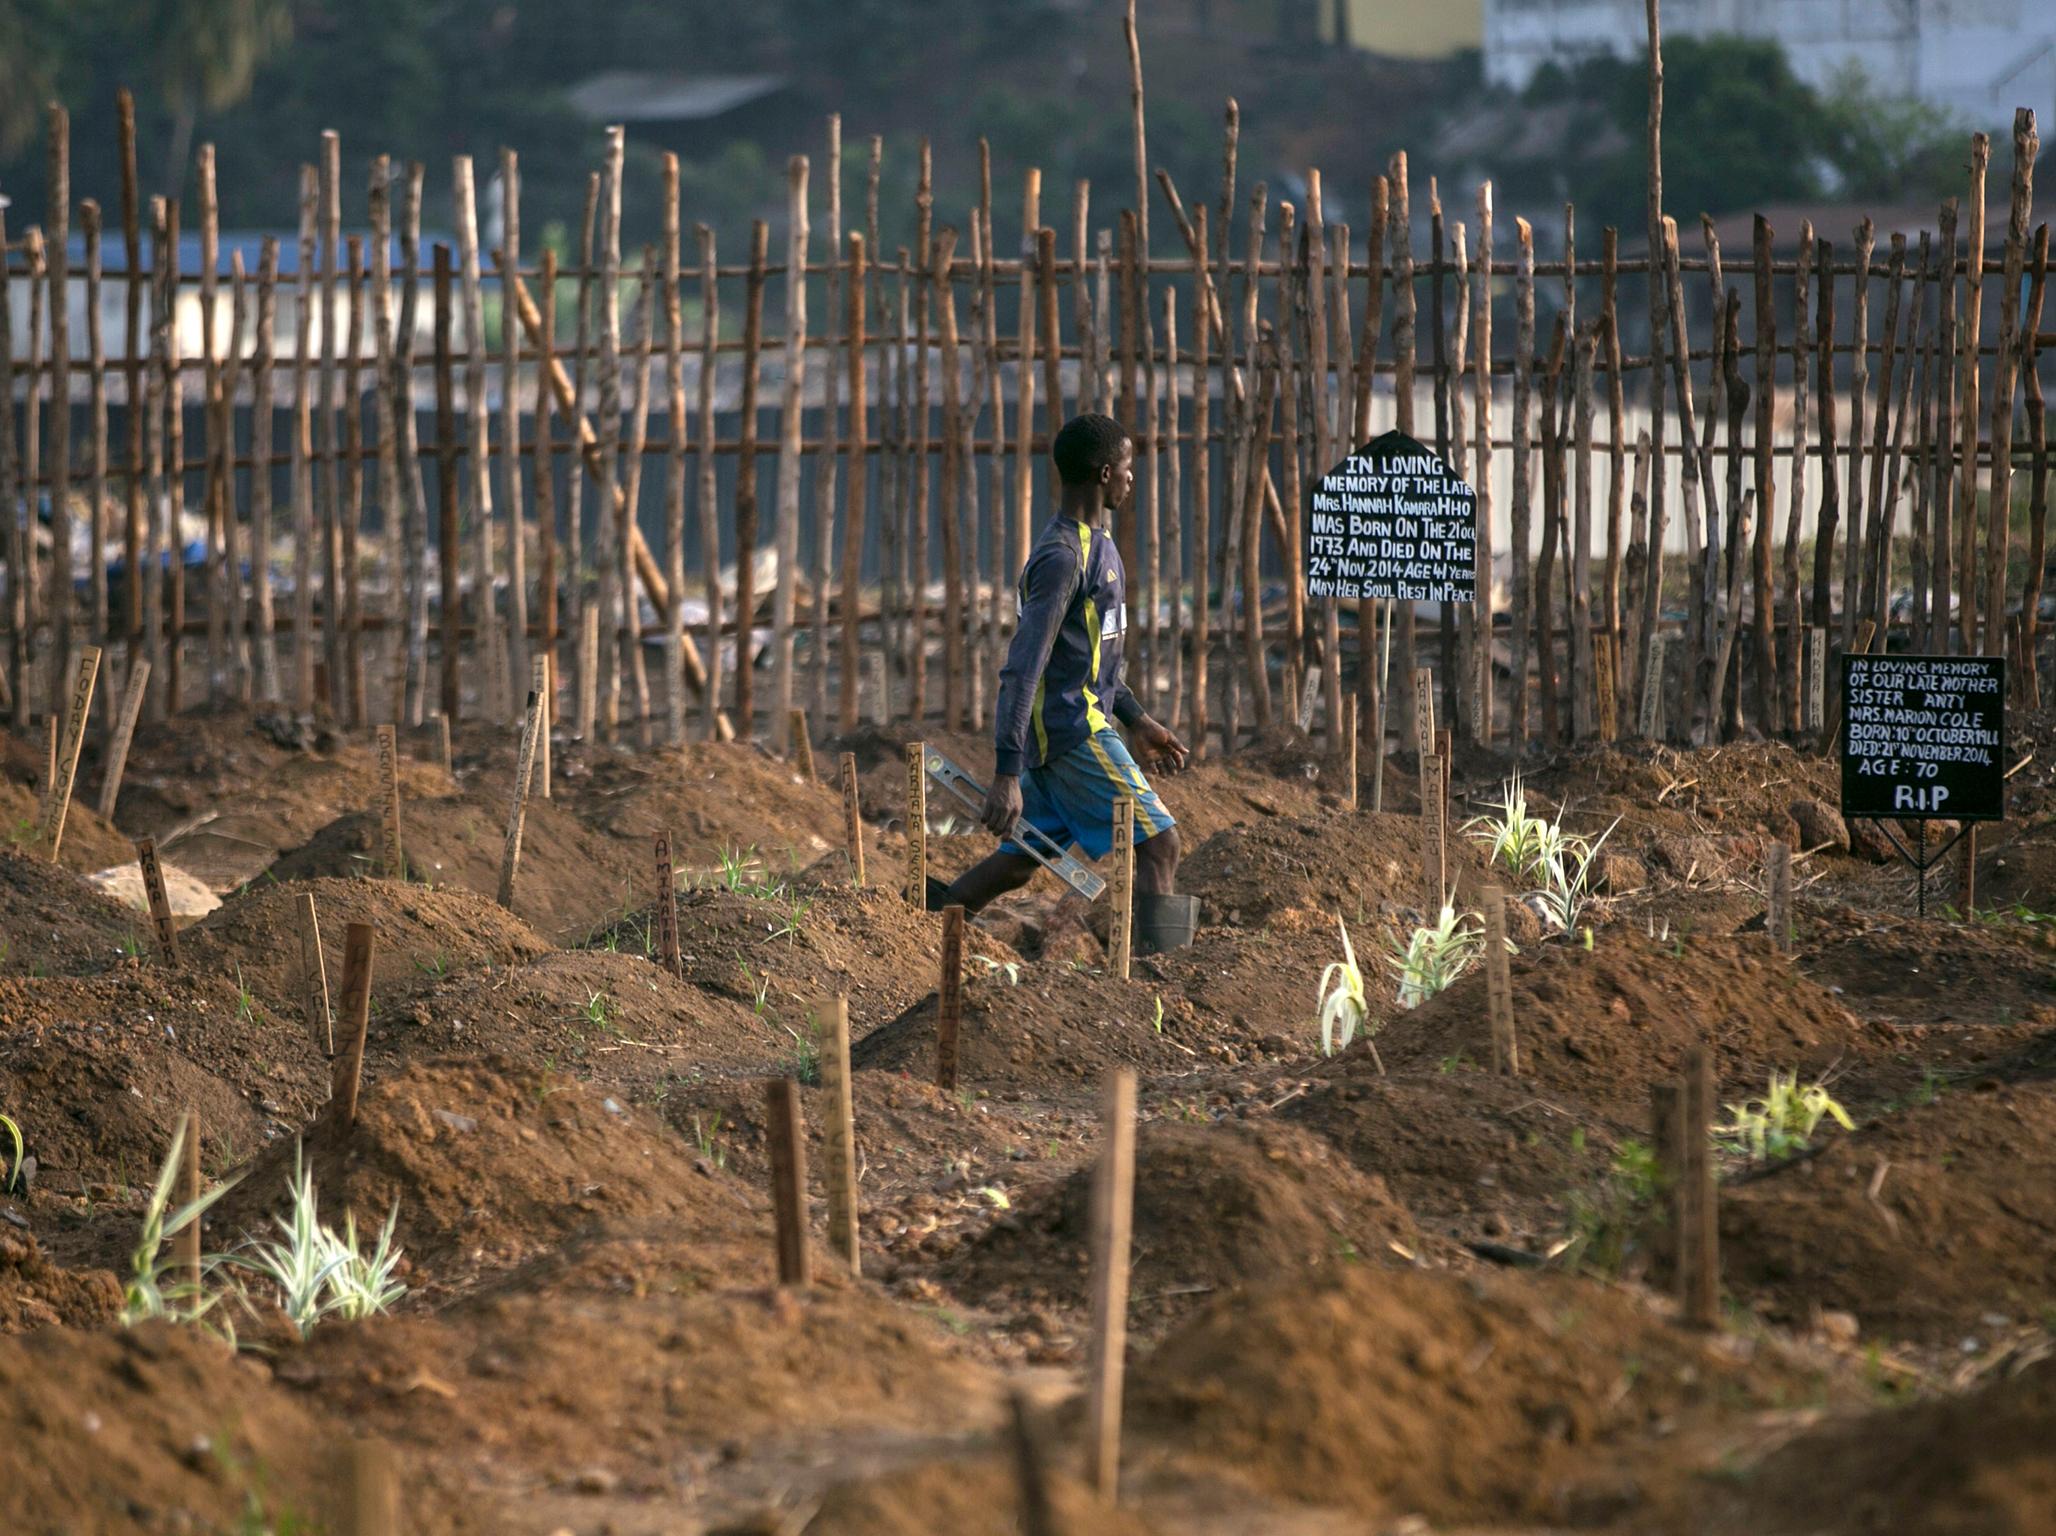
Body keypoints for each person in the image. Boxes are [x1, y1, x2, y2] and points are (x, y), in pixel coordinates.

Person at [930, 412, 1188, 918]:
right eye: (1127, 466)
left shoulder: (1101, 546)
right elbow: (1025, 666)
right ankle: (1158, 988)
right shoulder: (1064, 557)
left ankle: (927, 918)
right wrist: (1006, 770)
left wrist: (1136, 718)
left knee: (1021, 859)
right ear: (1104, 474)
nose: (1133, 477)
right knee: (1161, 846)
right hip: (1075, 730)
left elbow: (1086, 657)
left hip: (1069, 726)